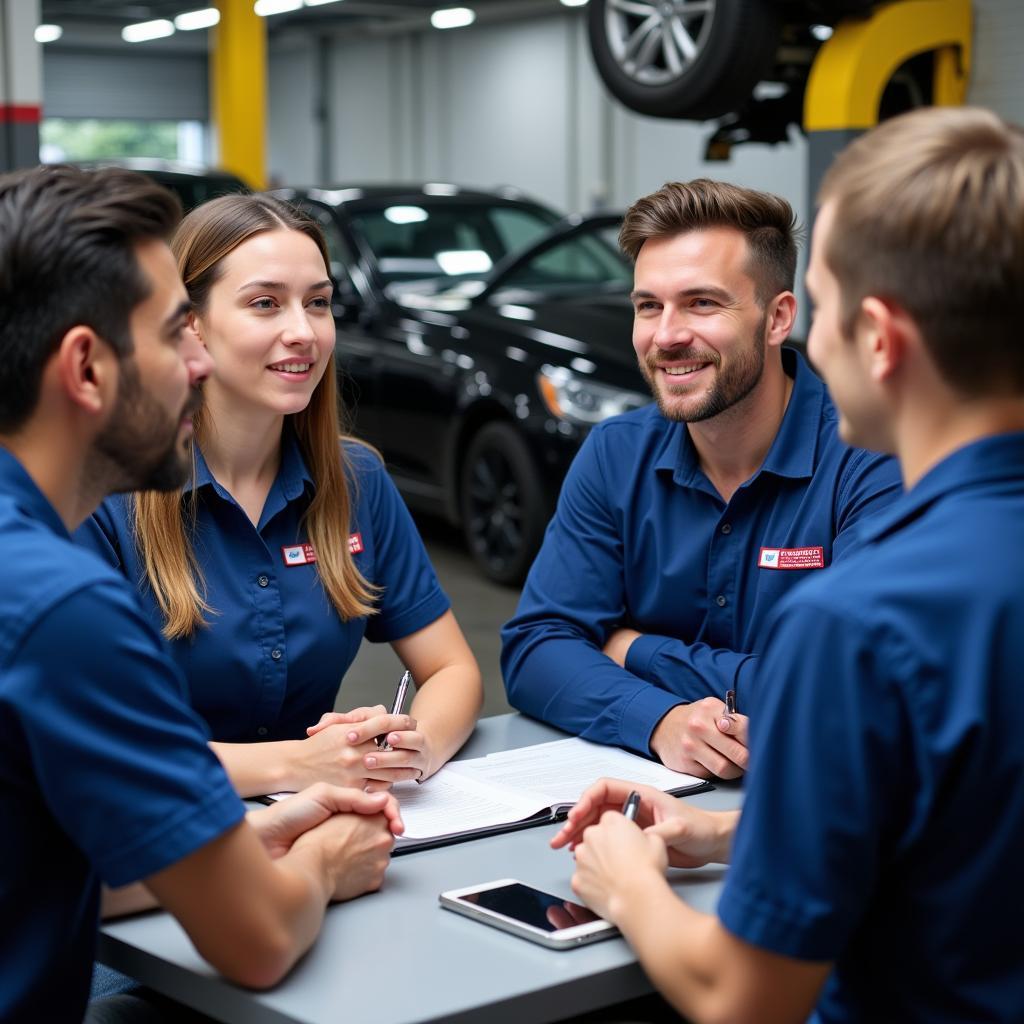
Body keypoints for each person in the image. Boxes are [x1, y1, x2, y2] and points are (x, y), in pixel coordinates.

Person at [553, 106, 1024, 1023]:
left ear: (878, 339)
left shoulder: (860, 621)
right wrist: (733, 834)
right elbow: (964, 829)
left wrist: (626, 882)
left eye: (824, 301)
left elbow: (743, 995)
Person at [0, 165, 405, 1022]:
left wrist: (241, 839)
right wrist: (326, 858)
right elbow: (256, 940)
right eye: (174, 332)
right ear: (87, 368)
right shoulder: (61, 606)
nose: (198, 363)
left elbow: (44, 859)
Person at [76, 193, 483, 799]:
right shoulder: (100, 497)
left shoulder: (357, 479)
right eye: (265, 304)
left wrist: (409, 749)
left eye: (318, 303)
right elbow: (94, 745)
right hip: (147, 840)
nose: (303, 332)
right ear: (189, 322)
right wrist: (301, 765)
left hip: (322, 820)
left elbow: (453, 669)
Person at [501, 179, 901, 779]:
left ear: (777, 318)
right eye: (648, 306)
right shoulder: (616, 455)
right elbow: (535, 650)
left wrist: (633, 648)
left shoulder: (869, 458)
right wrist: (657, 721)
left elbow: (860, 691)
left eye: (702, 303)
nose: (666, 336)